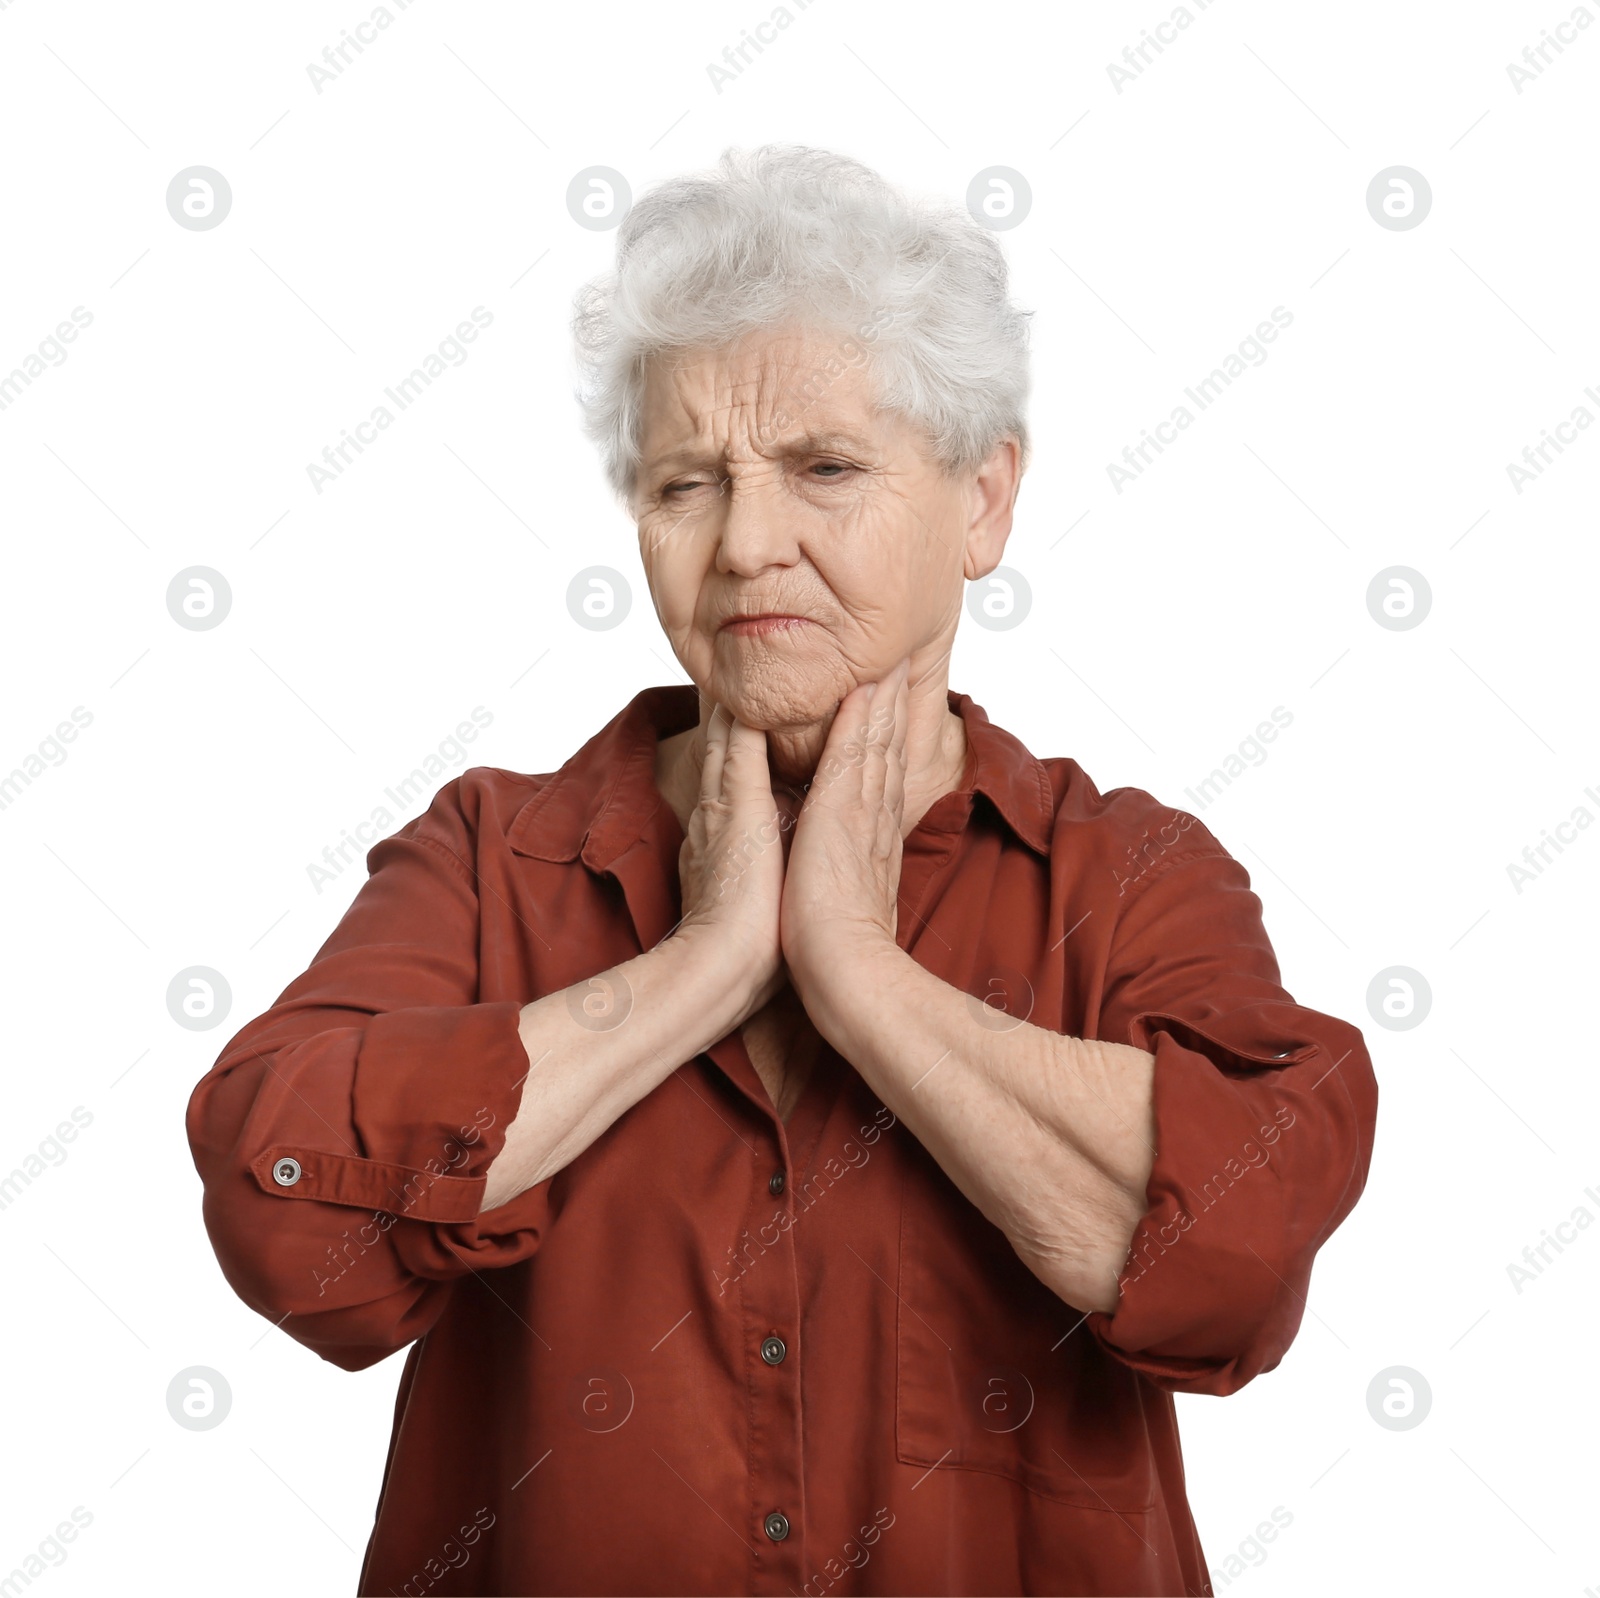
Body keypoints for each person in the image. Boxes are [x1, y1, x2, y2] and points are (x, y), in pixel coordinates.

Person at [186, 143, 1378, 1597]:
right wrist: (697, 968)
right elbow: (286, 1219)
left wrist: (860, 976)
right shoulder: (491, 858)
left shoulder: (1129, 877)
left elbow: (1236, 1262)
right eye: (690, 483)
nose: (750, 544)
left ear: (985, 500)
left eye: (825, 468)